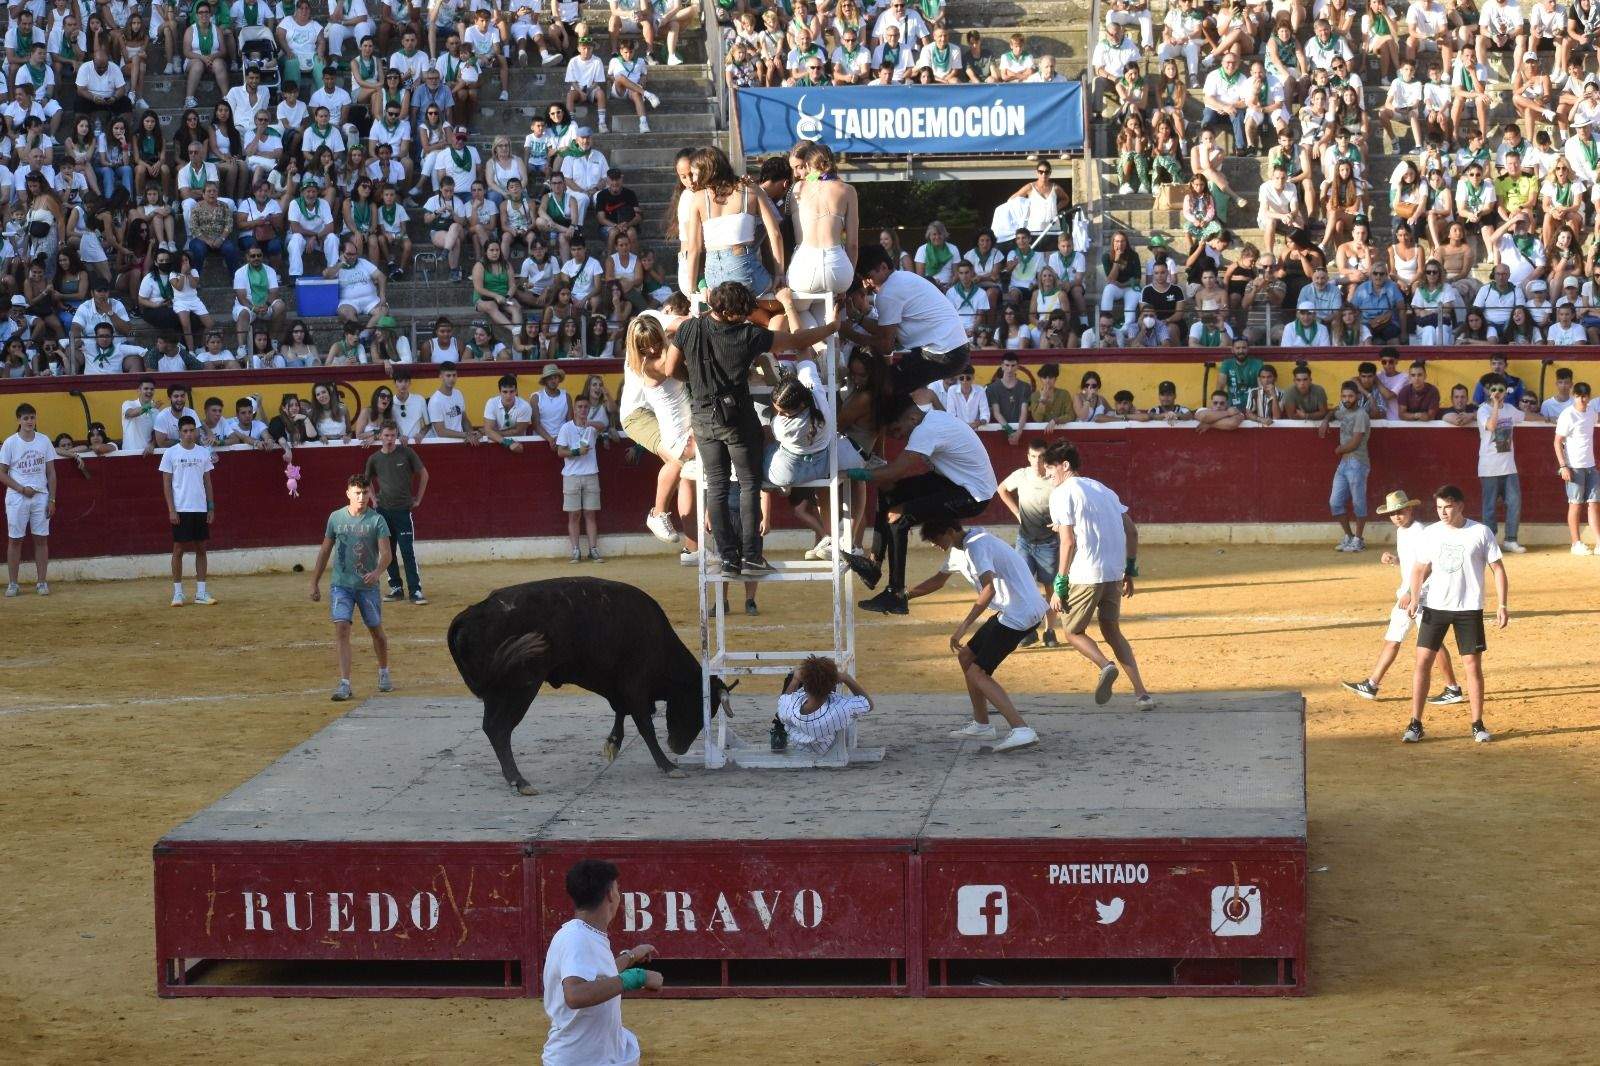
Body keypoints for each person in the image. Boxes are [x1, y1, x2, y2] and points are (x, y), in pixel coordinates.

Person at [662, 282, 836, 578]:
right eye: (741, 311)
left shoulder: (690, 328)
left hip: (703, 417)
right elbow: (797, 341)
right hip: (738, 418)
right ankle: (751, 556)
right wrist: (831, 327)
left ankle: (729, 558)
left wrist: (695, 379)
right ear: (729, 311)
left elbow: (669, 369)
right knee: (748, 484)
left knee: (716, 486)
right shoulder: (747, 334)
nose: (745, 316)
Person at [845, 401, 997, 616]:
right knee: (889, 493)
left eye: (897, 430)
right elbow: (890, 479)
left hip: (973, 495)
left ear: (913, 419)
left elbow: (895, 471)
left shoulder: (926, 430)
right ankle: (873, 565)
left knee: (899, 518)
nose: (898, 437)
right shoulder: (931, 419)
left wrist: (850, 473)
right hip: (954, 482)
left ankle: (896, 594)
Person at [907, 517, 1042, 753]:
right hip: (1011, 611)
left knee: (977, 672)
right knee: (966, 656)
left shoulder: (977, 545)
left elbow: (989, 589)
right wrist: (904, 596)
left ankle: (1021, 729)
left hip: (1020, 614)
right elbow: (938, 580)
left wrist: (963, 626)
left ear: (950, 531)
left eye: (936, 539)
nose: (934, 544)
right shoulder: (959, 548)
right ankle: (982, 724)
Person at [1043, 440, 1154, 709]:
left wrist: (1059, 583)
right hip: (1113, 572)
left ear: (1065, 465)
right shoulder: (1104, 490)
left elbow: (1068, 541)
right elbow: (1131, 531)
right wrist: (1129, 570)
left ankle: (1105, 666)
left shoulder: (1061, 493)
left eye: (1050, 469)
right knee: (1112, 630)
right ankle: (1142, 694)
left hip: (1086, 573)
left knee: (1072, 631)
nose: (1047, 475)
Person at [1403, 484, 1510, 744]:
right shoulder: (1431, 533)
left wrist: (1502, 605)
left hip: (1469, 609)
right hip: (1435, 607)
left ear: (1460, 506)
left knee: (1472, 666)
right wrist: (1414, 598)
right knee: (1422, 662)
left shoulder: (1480, 532)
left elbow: (1497, 569)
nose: (1443, 512)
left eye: (1448, 507)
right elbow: (1419, 569)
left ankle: (1477, 724)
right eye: (1439, 507)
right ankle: (1415, 723)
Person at [1342, 490, 1463, 704]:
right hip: (1408, 596)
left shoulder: (1420, 532)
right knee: (1394, 639)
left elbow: (1429, 566)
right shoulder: (1402, 531)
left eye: (1400, 512)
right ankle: (1372, 684)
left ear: (1410, 510)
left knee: (1432, 644)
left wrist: (1410, 592)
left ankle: (1452, 688)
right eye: (1392, 513)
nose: (1396, 516)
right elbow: (1413, 563)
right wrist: (1396, 561)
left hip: (1423, 597)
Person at [541, 858, 663, 1066]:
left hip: (590, 1056)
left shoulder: (583, 933)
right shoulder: (577, 938)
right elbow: (575, 994)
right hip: (581, 1060)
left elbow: (596, 977)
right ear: (610, 894)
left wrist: (631, 956)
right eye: (617, 889)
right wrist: (637, 977)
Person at [843, 244, 972, 401]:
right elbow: (884, 330)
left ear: (883, 267)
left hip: (943, 353)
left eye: (867, 276)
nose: (865, 283)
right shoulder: (903, 278)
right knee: (892, 387)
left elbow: (886, 345)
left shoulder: (888, 292)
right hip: (949, 351)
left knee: (885, 386)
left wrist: (848, 333)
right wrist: (858, 318)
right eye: (862, 278)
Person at [309, 473, 394, 703]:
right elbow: (325, 550)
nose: (362, 497)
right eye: (357, 493)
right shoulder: (336, 518)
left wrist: (377, 572)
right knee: (342, 629)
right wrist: (314, 581)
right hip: (341, 585)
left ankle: (384, 671)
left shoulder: (377, 521)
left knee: (376, 630)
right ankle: (345, 683)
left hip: (367, 586)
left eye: (365, 493)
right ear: (348, 493)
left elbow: (387, 553)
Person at [997, 439, 1061, 647]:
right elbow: (1002, 489)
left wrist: (1061, 521)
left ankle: (1049, 630)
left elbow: (1067, 499)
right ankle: (1030, 630)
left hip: (1048, 543)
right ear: (1028, 457)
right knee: (1022, 586)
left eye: (1041, 457)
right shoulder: (1021, 475)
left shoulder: (1055, 478)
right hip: (1024, 541)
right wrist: (1017, 513)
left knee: (1050, 588)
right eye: (1033, 457)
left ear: (1047, 458)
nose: (1037, 461)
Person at [363, 421, 429, 605]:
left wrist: (418, 499)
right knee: (388, 551)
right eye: (386, 435)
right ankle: (396, 588)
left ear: (397, 436)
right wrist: (374, 500)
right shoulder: (374, 459)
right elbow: (366, 481)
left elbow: (424, 475)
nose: (390, 439)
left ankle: (415, 590)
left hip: (402, 510)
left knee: (407, 551)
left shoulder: (406, 453)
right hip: (383, 511)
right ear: (380, 436)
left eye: (393, 435)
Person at [159, 415, 216, 607]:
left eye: (192, 430)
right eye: (185, 431)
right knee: (178, 549)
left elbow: (207, 482)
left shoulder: (203, 452)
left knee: (201, 548)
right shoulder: (171, 453)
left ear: (196, 431)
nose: (189, 434)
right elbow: (166, 484)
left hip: (200, 507)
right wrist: (171, 510)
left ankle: (201, 592)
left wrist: (210, 507)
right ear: (180, 432)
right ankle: (178, 593)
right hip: (181, 508)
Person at [2, 403, 55, 598]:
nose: (29, 421)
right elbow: (2, 473)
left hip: (40, 496)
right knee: (15, 540)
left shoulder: (44, 441)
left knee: (41, 539)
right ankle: (13, 583)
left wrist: (52, 499)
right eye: (25, 418)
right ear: (19, 420)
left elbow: (51, 473)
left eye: (32, 417)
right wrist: (21, 489)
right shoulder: (10, 443)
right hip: (17, 497)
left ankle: (41, 582)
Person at [775, 656, 874, 756]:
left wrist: (795, 680)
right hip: (827, 746)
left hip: (799, 744)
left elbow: (784, 700)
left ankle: (777, 732)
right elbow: (869, 704)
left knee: (791, 679)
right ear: (833, 686)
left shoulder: (791, 707)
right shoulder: (840, 709)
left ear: (805, 687)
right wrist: (846, 678)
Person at [1477, 372, 1526, 553]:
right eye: (1494, 389)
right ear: (1488, 391)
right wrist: (1496, 405)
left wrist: (1548, 418)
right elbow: (1491, 426)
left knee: (1514, 503)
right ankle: (1490, 543)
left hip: (1509, 467)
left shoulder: (1510, 409)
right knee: (1489, 507)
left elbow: (1525, 416)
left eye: (1500, 390)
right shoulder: (1483, 410)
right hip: (1489, 467)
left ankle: (1510, 540)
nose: (1497, 392)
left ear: (1506, 391)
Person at [1320, 381, 1372, 552]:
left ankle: (1358, 539)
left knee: (1358, 502)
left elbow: (1355, 442)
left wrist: (1339, 450)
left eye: (1350, 396)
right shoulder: (1344, 411)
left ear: (1357, 396)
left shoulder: (1361, 414)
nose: (1347, 399)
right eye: (1344, 396)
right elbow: (1333, 412)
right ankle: (1349, 536)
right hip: (1344, 463)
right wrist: (1325, 421)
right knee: (1335, 502)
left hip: (1358, 462)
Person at [557, 395, 604, 563]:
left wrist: (588, 423)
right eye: (580, 407)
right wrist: (577, 452)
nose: (583, 410)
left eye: (585, 407)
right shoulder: (566, 428)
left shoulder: (592, 428)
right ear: (574, 409)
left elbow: (603, 426)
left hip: (590, 474)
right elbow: (560, 452)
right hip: (572, 476)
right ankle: (576, 550)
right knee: (574, 515)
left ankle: (593, 549)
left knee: (590, 514)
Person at [1554, 381, 1599, 553]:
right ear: (1574, 396)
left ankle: (1599, 542)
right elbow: (1557, 441)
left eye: (1585, 396)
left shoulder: (1591, 413)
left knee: (1594, 503)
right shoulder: (1567, 415)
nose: (1582, 399)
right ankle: (1576, 543)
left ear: (1589, 397)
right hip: (1574, 466)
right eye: (1579, 396)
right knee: (1576, 504)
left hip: (1590, 465)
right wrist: (1563, 466)